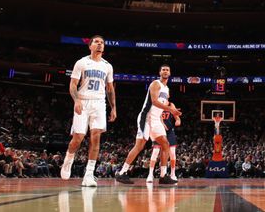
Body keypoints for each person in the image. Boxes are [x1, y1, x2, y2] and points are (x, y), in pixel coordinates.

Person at [60, 35, 116, 187]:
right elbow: (73, 84)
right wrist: (76, 100)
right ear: (90, 46)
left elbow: (110, 89)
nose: (99, 44)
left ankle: (89, 175)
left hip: (99, 103)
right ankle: (68, 159)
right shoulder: (81, 62)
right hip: (83, 101)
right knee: (78, 137)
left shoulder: (107, 66)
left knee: (96, 137)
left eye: (102, 42)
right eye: (96, 42)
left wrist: (113, 107)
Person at [115, 65, 180, 185]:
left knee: (165, 144)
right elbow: (154, 102)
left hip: (156, 120)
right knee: (139, 146)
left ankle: (163, 175)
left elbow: (161, 108)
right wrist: (171, 110)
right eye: (163, 70)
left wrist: (164, 119)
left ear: (170, 73)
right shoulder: (155, 84)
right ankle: (122, 172)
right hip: (146, 118)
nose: (165, 71)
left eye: (167, 70)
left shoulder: (167, 89)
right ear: (160, 72)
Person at [147, 99, 180, 183]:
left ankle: (173, 174)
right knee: (155, 152)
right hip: (159, 129)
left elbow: (177, 117)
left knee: (172, 153)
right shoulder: (157, 104)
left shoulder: (171, 104)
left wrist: (178, 120)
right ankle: (150, 174)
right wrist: (161, 123)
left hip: (169, 131)